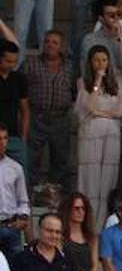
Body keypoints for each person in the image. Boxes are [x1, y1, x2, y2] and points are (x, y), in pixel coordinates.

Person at [74, 43, 122, 226]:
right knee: (90, 178)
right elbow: (88, 106)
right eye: (97, 60)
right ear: (90, 62)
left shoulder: (116, 83)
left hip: (111, 136)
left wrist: (101, 113)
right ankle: (88, 223)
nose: (100, 63)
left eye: (104, 60)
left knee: (108, 179)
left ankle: (103, 223)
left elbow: (121, 110)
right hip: (90, 135)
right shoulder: (84, 82)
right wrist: (97, 82)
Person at [20, 29, 77, 192]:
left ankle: (54, 195)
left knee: (60, 159)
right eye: (47, 41)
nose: (50, 45)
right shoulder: (30, 64)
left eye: (54, 42)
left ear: (61, 46)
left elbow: (75, 91)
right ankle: (30, 194)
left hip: (60, 118)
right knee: (31, 158)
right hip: (36, 117)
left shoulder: (70, 67)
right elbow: (21, 90)